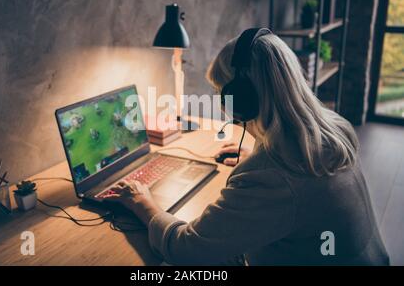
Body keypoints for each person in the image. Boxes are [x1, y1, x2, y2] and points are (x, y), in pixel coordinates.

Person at [103, 31, 390, 265]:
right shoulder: (333, 127)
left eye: (222, 95)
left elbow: (187, 249)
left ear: (243, 100)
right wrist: (257, 157)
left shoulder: (270, 177)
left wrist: (144, 204)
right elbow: (296, 187)